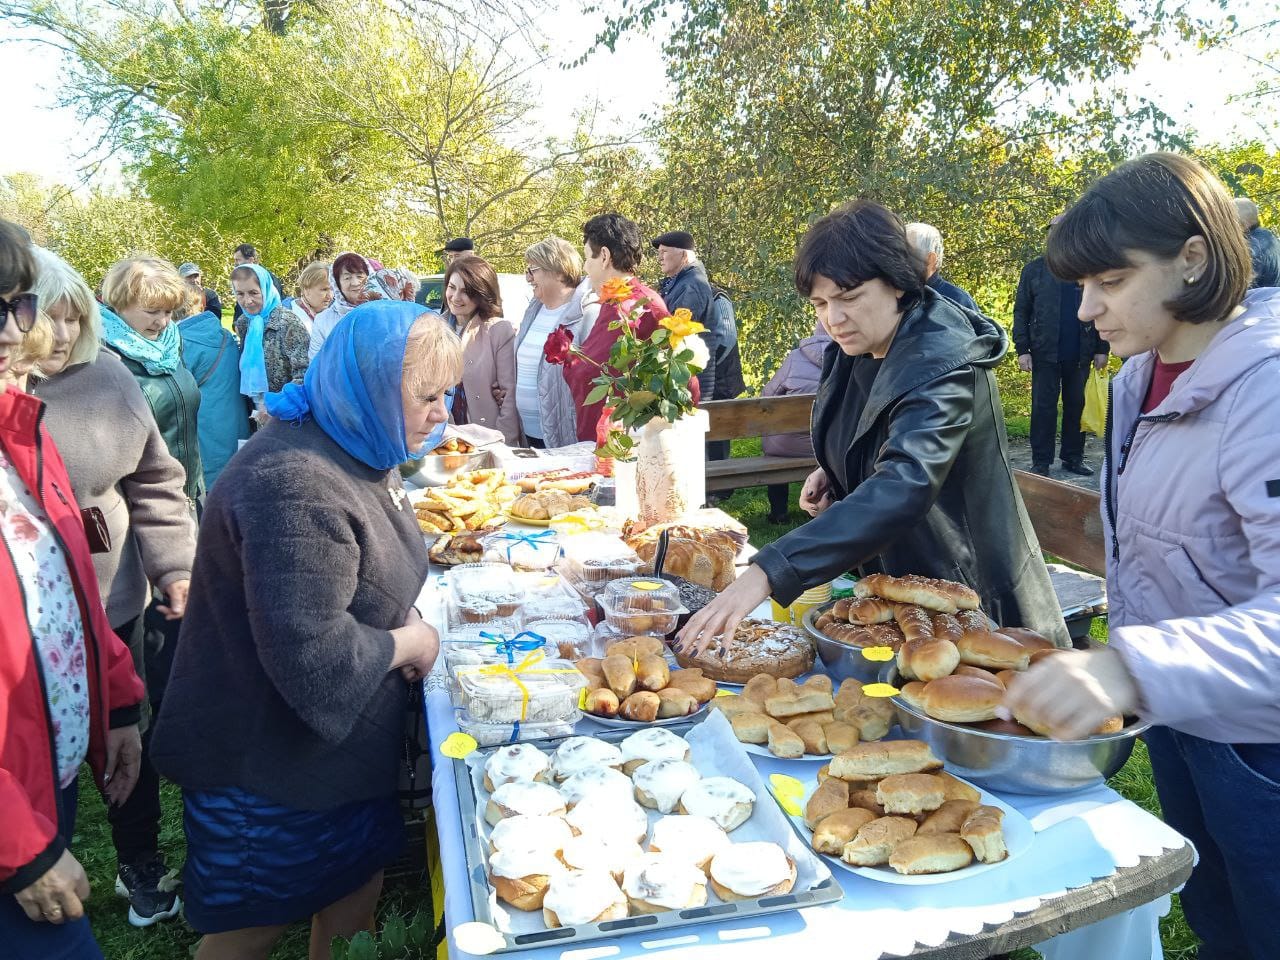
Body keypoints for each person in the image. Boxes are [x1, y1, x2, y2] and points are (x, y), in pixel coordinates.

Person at [1004, 152, 1280, 960]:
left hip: (1258, 743)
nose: (1085, 309)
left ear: (1191, 258)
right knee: (1219, 915)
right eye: (1080, 286)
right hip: (1175, 710)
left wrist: (1132, 667)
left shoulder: (1265, 390)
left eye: (1111, 282)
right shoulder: (1135, 378)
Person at [150, 301, 456, 960]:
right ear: (368, 388)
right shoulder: (292, 482)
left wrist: (394, 611)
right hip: (264, 765)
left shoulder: (350, 443)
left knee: (353, 889)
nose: (442, 412)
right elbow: (313, 656)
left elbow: (353, 575)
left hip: (329, 754)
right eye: (426, 396)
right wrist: (411, 641)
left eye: (445, 393)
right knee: (253, 923)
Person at [677, 200, 1068, 654]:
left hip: (972, 606)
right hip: (902, 599)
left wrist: (768, 571)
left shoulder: (943, 361)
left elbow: (906, 483)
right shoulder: (859, 345)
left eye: (849, 297)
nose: (833, 318)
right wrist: (837, 470)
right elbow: (872, 431)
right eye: (820, 303)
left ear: (899, 283)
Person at [34, 250, 198, 928]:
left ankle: (139, 864)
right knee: (37, 748)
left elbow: (156, 481)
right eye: (50, 317)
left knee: (127, 730)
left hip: (117, 600)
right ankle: (39, 861)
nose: (66, 335)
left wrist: (175, 565)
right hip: (34, 619)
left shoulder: (107, 375)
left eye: (76, 318)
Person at [0, 218, 146, 958]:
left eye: (15, 303)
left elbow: (65, 594)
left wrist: (114, 699)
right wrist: (17, 845)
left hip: (41, 767)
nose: (15, 330)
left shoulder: (21, 431)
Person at [564, 213, 699, 442]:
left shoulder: (630, 306)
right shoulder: (631, 300)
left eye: (587, 258)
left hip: (626, 446)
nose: (586, 267)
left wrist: (569, 360)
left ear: (604, 256)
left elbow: (589, 372)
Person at [1012, 227, 1109, 477]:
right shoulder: (1034, 270)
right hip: (1044, 353)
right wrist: (1022, 349)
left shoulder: (1086, 269)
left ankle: (1073, 458)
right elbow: (1021, 311)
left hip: (1081, 353)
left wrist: (1102, 348)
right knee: (1043, 408)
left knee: (1077, 406)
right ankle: (1041, 462)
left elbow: (1101, 307)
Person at [653, 230, 744, 486]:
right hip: (691, 374)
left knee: (689, 438)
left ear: (683, 255)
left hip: (692, 376)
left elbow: (674, 333)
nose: (659, 257)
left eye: (664, 252)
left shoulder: (692, 284)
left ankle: (696, 492)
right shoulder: (684, 281)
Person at [514, 237, 599, 447]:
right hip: (527, 434)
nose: (527, 277)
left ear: (559, 272)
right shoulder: (534, 309)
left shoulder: (587, 314)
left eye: (532, 270)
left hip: (565, 435)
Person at [176, 287, 252, 492]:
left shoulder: (179, 343)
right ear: (201, 305)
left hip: (205, 433)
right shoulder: (226, 335)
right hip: (237, 428)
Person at [760, 319, 832, 523]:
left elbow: (768, 396)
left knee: (774, 442)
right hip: (826, 446)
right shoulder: (852, 359)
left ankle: (779, 512)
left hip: (785, 447)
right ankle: (819, 505)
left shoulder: (795, 358)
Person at [441, 254, 519, 443]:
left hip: (488, 437)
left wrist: (504, 442)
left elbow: (509, 395)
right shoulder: (434, 327)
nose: (456, 297)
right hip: (446, 436)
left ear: (481, 293)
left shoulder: (498, 330)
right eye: (452, 287)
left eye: (466, 291)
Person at [231, 264, 310, 414]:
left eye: (254, 293)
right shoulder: (244, 322)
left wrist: (275, 406)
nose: (247, 301)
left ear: (266, 289)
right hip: (253, 409)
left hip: (284, 414)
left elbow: (304, 374)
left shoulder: (288, 324)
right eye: (240, 294)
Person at [309, 251, 375, 360]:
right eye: (347, 278)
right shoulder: (323, 321)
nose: (355, 283)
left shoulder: (381, 312)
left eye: (360, 276)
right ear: (337, 283)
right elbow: (316, 364)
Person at [904, 222, 979, 312]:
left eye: (907, 253)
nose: (898, 258)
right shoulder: (894, 294)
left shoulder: (958, 300)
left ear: (930, 260)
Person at [1233, 197, 1280, 288]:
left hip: (1260, 300)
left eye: (1231, 222)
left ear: (1245, 224)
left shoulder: (1251, 248)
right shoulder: (1270, 237)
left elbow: (1236, 288)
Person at [230, 244, 284, 320]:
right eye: (240, 294)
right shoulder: (243, 323)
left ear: (251, 260)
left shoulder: (267, 279)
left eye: (238, 260)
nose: (235, 264)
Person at [289, 261, 333, 334]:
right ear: (306, 289)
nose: (330, 296)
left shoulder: (332, 315)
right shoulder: (293, 318)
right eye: (324, 289)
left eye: (332, 289)